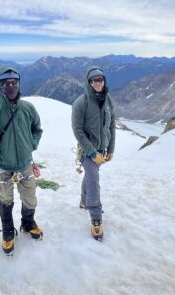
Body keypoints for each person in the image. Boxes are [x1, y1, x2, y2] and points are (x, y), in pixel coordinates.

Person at [0, 66, 43, 255]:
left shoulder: (28, 108)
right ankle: (7, 232)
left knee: (30, 197)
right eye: (6, 84)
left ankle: (28, 223)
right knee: (6, 200)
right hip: (2, 166)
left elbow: (37, 129)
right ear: (0, 86)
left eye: (14, 83)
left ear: (19, 84)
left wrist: (32, 144)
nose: (10, 87)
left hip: (24, 164)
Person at [71, 66, 115, 241]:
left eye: (101, 79)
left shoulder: (108, 100)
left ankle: (83, 201)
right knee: (94, 181)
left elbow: (111, 126)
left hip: (102, 150)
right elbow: (78, 131)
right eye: (95, 80)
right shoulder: (81, 103)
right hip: (87, 151)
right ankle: (96, 218)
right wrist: (91, 152)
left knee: (91, 176)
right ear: (89, 83)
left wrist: (110, 148)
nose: (98, 83)